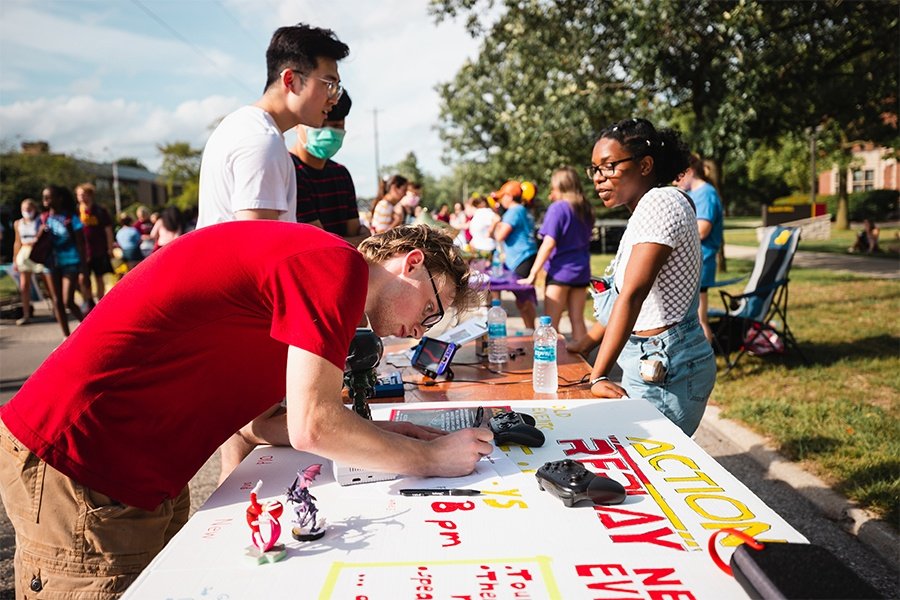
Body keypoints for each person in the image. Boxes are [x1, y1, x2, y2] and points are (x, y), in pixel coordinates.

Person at [0, 222, 493, 598]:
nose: (422, 329)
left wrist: (389, 438)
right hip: (80, 460)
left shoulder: (322, 278)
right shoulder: (336, 267)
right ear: (411, 264)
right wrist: (430, 459)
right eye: (431, 309)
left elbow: (262, 425)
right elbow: (313, 426)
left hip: (129, 471)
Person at [585, 118, 716, 436]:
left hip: (665, 369)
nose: (599, 178)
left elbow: (633, 294)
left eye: (609, 166)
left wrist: (598, 375)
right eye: (595, 169)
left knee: (644, 458)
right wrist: (581, 345)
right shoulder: (647, 209)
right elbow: (621, 297)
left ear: (644, 165)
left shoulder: (661, 203)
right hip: (651, 361)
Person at [197, 23, 350, 228]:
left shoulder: (239, 126)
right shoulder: (262, 142)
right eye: (329, 85)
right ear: (291, 80)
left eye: (337, 88)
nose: (334, 99)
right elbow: (258, 243)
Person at [518, 167, 593, 341]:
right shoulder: (585, 208)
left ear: (560, 186)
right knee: (577, 320)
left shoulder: (558, 208)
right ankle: (583, 357)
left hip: (560, 272)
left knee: (550, 326)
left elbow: (548, 244)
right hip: (581, 270)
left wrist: (532, 274)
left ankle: (557, 358)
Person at [291, 90, 370, 245]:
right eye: (320, 125)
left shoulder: (341, 174)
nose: (328, 133)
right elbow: (319, 245)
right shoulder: (289, 171)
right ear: (297, 123)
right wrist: (361, 240)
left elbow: (350, 234)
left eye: (336, 126)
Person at [676, 154, 724, 342]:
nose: (675, 182)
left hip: (701, 264)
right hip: (692, 264)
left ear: (689, 171)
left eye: (677, 176)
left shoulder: (706, 193)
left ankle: (706, 357)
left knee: (699, 321)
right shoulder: (693, 193)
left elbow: (702, 230)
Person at [493, 180, 538, 330]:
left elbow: (500, 236)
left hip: (521, 257)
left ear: (509, 196)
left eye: (502, 196)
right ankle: (530, 331)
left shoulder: (513, 211)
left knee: (523, 300)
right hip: (525, 256)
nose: (500, 200)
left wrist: (496, 224)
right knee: (522, 299)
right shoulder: (521, 209)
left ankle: (531, 332)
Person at [42, 185, 86, 337]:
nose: (45, 200)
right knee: (57, 301)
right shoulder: (43, 218)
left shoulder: (71, 218)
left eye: (48, 197)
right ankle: (66, 337)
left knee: (68, 300)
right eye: (44, 197)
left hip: (70, 262)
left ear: (59, 199)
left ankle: (89, 329)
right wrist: (41, 232)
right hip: (50, 263)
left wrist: (84, 270)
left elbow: (81, 244)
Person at [11, 198, 56, 326]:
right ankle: (26, 314)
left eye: (29, 209)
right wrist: (15, 258)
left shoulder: (40, 220)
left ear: (34, 209)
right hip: (24, 254)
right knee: (24, 286)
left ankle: (56, 310)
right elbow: (17, 242)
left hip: (38, 253)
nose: (26, 211)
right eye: (24, 209)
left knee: (48, 284)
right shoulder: (18, 223)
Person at [75, 182, 114, 312]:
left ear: (90, 195)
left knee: (99, 277)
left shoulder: (100, 211)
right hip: (82, 251)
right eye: (79, 195)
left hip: (99, 250)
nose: (81, 197)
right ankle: (88, 302)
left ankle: (100, 304)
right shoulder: (76, 211)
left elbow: (108, 230)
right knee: (83, 279)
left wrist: (110, 248)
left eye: (83, 194)